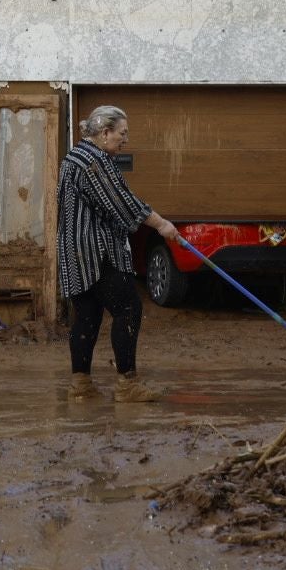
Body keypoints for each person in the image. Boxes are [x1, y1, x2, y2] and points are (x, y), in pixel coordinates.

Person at [57, 105, 181, 403]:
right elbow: (123, 203)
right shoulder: (92, 161)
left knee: (87, 315)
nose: (125, 140)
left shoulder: (77, 156)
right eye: (122, 133)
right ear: (105, 132)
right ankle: (127, 385)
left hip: (75, 253)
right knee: (128, 309)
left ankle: (81, 384)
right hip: (95, 254)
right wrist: (162, 224)